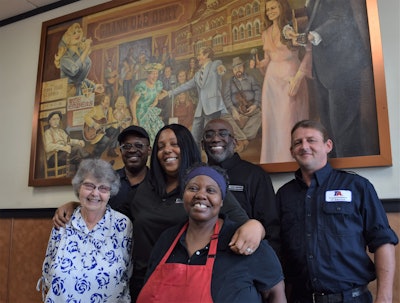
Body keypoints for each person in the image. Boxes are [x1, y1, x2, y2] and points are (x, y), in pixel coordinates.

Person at [129, 124, 266, 301]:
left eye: (174, 144)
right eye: (161, 147)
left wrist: (257, 226)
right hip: (147, 281)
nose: (167, 150)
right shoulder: (145, 189)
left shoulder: (203, 185)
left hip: (193, 282)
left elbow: (243, 224)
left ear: (186, 147)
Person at [276, 120, 398, 303]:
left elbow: (383, 242)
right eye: (297, 142)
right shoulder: (284, 195)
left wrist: (385, 298)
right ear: (292, 151)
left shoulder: (357, 186)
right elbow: (279, 251)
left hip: (351, 299)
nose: (304, 146)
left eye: (311, 140)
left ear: (328, 145)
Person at [137, 163, 286, 303]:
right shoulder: (167, 240)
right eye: (193, 188)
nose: (201, 195)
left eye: (211, 190)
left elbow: (276, 294)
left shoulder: (245, 241)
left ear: (222, 201)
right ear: (184, 196)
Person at [283, 1, 378, 157]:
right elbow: (306, 19)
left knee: (344, 129)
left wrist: (316, 34)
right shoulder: (310, 2)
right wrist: (288, 29)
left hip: (343, 67)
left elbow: (341, 17)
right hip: (322, 70)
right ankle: (335, 171)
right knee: (328, 130)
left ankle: (350, 172)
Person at [37, 158, 133, 302]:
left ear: (110, 192)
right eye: (89, 186)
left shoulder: (123, 225)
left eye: (103, 188)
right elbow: (48, 270)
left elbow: (127, 274)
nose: (95, 193)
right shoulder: (63, 221)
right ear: (78, 187)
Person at [202, 118, 280, 253]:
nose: (215, 139)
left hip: (243, 259)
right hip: (202, 259)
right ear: (203, 145)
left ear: (235, 142)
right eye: (209, 135)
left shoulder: (255, 175)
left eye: (223, 133)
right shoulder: (197, 177)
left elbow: (271, 228)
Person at [52, 125, 151, 222]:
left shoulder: (159, 182)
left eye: (139, 145)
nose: (132, 150)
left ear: (149, 150)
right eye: (127, 146)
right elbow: (95, 203)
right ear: (121, 151)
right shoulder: (107, 180)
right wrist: (73, 205)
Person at [257, 0, 311, 163]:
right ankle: (272, 162)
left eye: (273, 8)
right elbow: (268, 57)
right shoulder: (266, 33)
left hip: (291, 76)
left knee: (288, 121)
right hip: (271, 81)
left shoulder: (292, 27)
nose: (270, 12)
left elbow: (309, 51)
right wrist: (262, 63)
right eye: (267, 10)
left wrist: (298, 78)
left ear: (282, 8)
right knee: (272, 123)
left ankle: (290, 161)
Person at [167, 46, 227, 148]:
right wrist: (170, 93)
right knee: (194, 137)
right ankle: (197, 161)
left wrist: (221, 70)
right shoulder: (197, 74)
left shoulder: (215, 64)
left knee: (210, 137)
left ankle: (211, 162)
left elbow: (221, 70)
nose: (197, 57)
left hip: (213, 108)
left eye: (199, 54)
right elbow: (186, 85)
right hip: (200, 109)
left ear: (206, 55)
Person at [223, 56, 262, 153]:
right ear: (233, 70)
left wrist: (255, 105)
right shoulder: (229, 82)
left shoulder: (251, 79)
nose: (238, 70)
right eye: (235, 68)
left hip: (250, 107)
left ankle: (243, 139)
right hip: (236, 109)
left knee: (260, 114)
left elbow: (258, 91)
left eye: (240, 67)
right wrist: (232, 109)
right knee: (224, 116)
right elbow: (227, 98)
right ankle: (243, 139)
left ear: (243, 67)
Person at [54, 23, 104, 97]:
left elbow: (80, 79)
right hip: (69, 93)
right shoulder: (64, 59)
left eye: (79, 31)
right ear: (68, 38)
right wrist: (87, 49)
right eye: (74, 33)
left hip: (80, 92)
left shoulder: (81, 54)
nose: (77, 34)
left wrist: (94, 86)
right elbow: (74, 70)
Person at [129, 62, 167, 145]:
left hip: (150, 111)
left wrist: (155, 102)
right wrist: (135, 119)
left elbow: (156, 99)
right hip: (140, 113)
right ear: (148, 75)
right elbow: (132, 102)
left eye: (156, 73)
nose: (155, 76)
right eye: (152, 74)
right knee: (145, 136)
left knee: (159, 130)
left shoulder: (158, 84)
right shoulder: (141, 86)